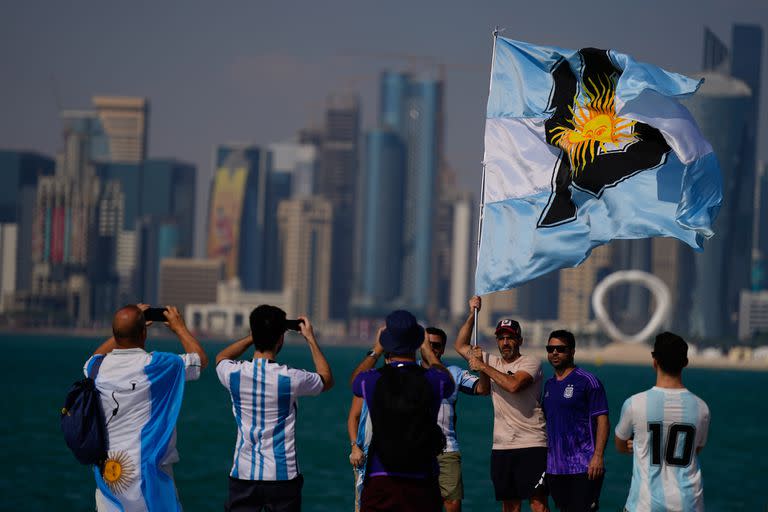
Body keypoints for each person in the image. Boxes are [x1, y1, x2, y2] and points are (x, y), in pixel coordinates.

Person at [84, 304, 208, 511]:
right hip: (150, 474)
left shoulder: (97, 368)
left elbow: (94, 357)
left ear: (115, 334)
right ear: (144, 333)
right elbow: (199, 361)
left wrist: (126, 328)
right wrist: (179, 327)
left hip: (109, 473)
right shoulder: (157, 365)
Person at [216, 306, 334, 512]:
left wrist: (254, 337)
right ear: (281, 339)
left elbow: (221, 358)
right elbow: (326, 379)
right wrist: (310, 339)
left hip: (243, 474)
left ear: (253, 333)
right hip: (282, 476)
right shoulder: (291, 378)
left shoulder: (233, 374)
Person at [351, 310, 455, 512]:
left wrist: (376, 350)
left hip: (381, 475)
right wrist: (429, 353)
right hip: (421, 476)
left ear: (387, 341)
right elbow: (448, 382)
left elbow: (355, 380)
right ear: (417, 342)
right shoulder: (432, 380)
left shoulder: (373, 380)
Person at [455, 296, 549, 512]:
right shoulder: (491, 361)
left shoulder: (530, 363)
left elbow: (513, 385)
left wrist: (482, 366)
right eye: (501, 338)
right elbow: (460, 345)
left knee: (538, 503)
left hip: (532, 442)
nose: (505, 342)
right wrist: (472, 314)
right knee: (510, 505)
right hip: (502, 445)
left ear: (520, 341)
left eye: (510, 338)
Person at [614, 332, 710, 512]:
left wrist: (637, 445)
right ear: (685, 363)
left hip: (644, 505)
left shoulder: (634, 403)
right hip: (689, 505)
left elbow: (620, 444)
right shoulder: (702, 408)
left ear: (654, 361)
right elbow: (695, 450)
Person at [541, 330, 609, 512]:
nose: (554, 352)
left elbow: (602, 420)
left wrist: (598, 456)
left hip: (584, 466)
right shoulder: (549, 385)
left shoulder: (588, 381)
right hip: (555, 468)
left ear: (572, 351)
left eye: (560, 349)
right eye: (551, 348)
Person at [424, 326, 488, 512]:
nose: (432, 349)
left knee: (452, 504)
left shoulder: (454, 372)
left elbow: (483, 389)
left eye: (436, 345)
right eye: (428, 344)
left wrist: (482, 365)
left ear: (443, 349)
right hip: (417, 451)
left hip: (447, 450)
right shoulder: (411, 371)